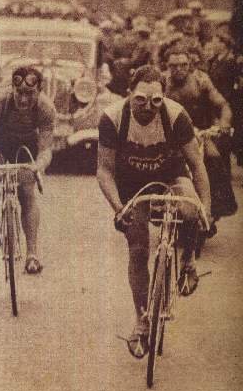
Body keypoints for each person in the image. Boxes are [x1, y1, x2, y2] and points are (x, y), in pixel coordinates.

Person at [97, 65, 211, 359]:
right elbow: (105, 171)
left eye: (156, 100)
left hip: (172, 173)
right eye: (140, 100)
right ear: (129, 94)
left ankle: (187, 261)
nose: (148, 107)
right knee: (138, 249)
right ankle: (142, 319)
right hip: (131, 183)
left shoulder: (176, 116)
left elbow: (197, 166)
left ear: (163, 98)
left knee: (188, 209)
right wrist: (119, 208)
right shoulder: (112, 117)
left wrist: (206, 210)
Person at [0, 65, 55, 274]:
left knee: (26, 191)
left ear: (39, 91)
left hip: (26, 146)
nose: (23, 100)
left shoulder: (46, 108)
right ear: (12, 89)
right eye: (19, 93)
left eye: (29, 94)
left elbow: (45, 150)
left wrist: (37, 167)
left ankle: (32, 254)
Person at [165, 43, 237, 225]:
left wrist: (224, 124)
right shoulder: (162, 83)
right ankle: (155, 205)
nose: (179, 69)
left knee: (213, 158)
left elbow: (223, 105)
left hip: (200, 135)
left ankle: (213, 210)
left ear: (190, 64)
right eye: (174, 65)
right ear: (167, 66)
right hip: (171, 136)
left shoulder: (200, 80)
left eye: (183, 64)